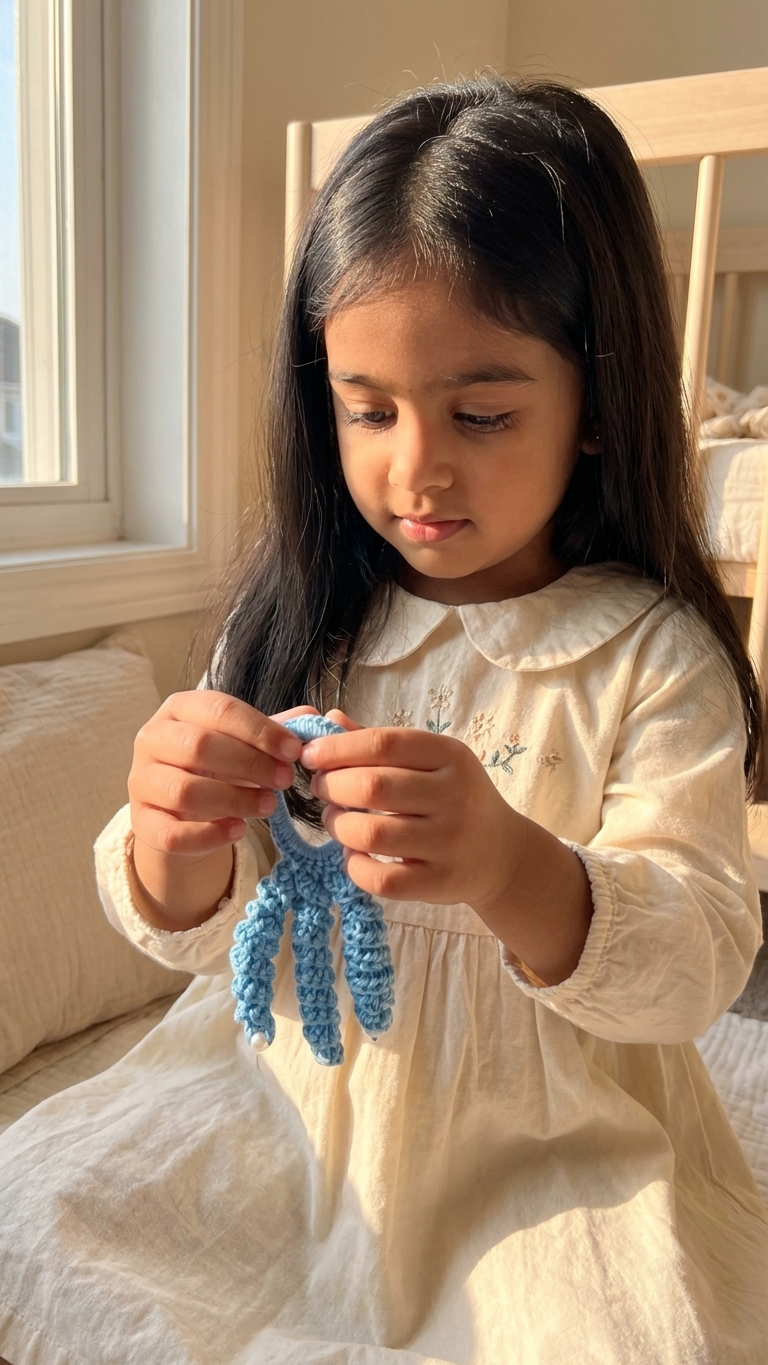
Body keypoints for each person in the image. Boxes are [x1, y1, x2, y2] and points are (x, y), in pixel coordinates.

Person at [0, 76, 765, 1365]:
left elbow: (695, 965)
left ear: (596, 401)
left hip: (539, 1138)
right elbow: (206, 938)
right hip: (276, 1100)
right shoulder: (299, 626)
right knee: (42, 1221)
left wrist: (518, 868)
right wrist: (169, 842)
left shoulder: (651, 657)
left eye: (481, 413)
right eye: (367, 410)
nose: (416, 468)